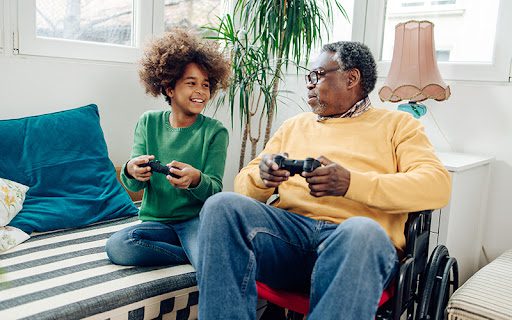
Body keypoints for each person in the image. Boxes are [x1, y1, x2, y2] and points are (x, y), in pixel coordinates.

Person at [196, 41, 451, 319]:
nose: (309, 84)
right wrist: (263, 177)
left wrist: (351, 184)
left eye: (317, 75)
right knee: (220, 206)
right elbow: (244, 189)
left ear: (351, 78)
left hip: (354, 246)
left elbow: (437, 184)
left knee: (361, 232)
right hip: (288, 240)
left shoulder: (399, 126)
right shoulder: (295, 125)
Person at [105, 29, 230, 269]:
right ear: (170, 88)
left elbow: (214, 191)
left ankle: (199, 252)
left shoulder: (215, 132)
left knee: (209, 263)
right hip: (157, 224)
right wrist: (132, 171)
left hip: (195, 221)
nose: (200, 92)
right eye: (191, 83)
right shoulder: (148, 122)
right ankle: (189, 253)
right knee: (118, 245)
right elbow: (134, 184)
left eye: (205, 85)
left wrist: (195, 180)